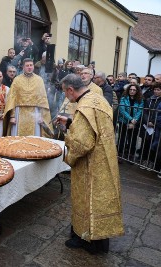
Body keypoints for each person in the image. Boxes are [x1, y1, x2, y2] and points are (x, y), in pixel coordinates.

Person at [55, 74, 124, 254]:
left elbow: (82, 143)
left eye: (65, 92)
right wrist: (71, 122)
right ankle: (97, 240)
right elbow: (92, 128)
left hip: (90, 165)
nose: (66, 97)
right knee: (99, 201)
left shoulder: (84, 107)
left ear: (71, 89)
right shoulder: (97, 99)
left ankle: (87, 241)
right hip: (105, 158)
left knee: (88, 200)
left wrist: (67, 139)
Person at [3, 58, 52, 137]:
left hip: (35, 113)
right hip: (19, 113)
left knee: (34, 139)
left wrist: (41, 116)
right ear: (23, 67)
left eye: (31, 65)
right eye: (27, 66)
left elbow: (42, 99)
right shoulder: (17, 80)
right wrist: (12, 116)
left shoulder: (39, 80)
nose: (29, 67)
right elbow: (12, 99)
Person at [136, 82, 161, 168]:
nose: (156, 91)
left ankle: (151, 161)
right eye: (155, 89)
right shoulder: (149, 99)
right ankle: (144, 159)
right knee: (145, 143)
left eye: (158, 90)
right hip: (147, 126)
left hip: (156, 126)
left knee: (153, 145)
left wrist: (154, 122)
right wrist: (148, 121)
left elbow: (158, 114)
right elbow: (145, 111)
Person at [117, 84, 144, 158]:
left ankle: (131, 154)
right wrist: (131, 119)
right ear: (128, 90)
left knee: (133, 139)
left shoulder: (140, 99)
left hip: (134, 122)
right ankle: (120, 154)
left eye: (134, 90)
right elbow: (122, 110)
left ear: (137, 91)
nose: (132, 91)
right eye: (130, 89)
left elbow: (140, 110)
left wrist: (134, 120)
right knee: (122, 138)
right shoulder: (123, 98)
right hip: (124, 121)